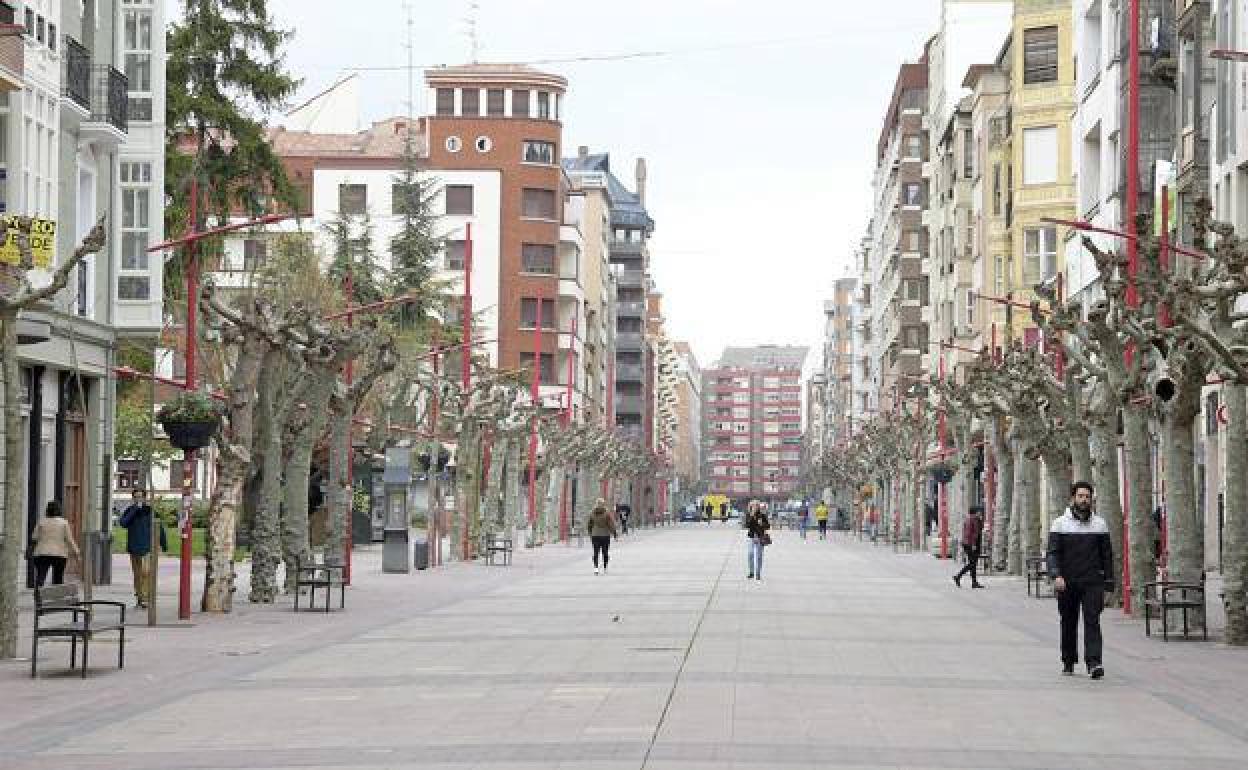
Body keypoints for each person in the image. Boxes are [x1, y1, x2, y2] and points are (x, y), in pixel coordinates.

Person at [1047, 481, 1114, 680]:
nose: (1084, 500)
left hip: (1092, 581)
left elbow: (1107, 556)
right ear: (1072, 498)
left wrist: (1109, 583)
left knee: (1092, 621)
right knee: (1068, 621)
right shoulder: (1060, 523)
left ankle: (1094, 663)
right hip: (1067, 582)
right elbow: (1052, 553)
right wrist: (1055, 574)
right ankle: (1068, 660)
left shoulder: (1100, 524)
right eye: (1080, 496)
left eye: (1087, 497)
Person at [119, 489, 167, 608]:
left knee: (146, 572)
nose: (138, 499)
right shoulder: (130, 511)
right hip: (134, 547)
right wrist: (135, 510)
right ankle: (140, 597)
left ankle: (146, 597)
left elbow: (159, 527)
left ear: (145, 498)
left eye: (140, 497)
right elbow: (123, 523)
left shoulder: (150, 511)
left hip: (148, 547)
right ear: (133, 498)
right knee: (137, 574)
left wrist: (163, 543)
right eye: (136, 497)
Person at [30, 501, 80, 587]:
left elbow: (34, 537)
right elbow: (69, 539)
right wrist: (77, 552)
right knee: (58, 578)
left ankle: (38, 596)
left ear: (47, 510)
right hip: (59, 554)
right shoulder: (64, 523)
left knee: (41, 577)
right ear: (59, 510)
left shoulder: (41, 522)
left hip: (42, 553)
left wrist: (30, 550)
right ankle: (57, 598)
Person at [952, 505, 985, 588]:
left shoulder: (976, 519)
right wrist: (973, 544)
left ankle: (974, 582)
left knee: (973, 564)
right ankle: (958, 576)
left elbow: (978, 531)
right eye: (979, 511)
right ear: (975, 512)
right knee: (972, 563)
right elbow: (969, 534)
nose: (980, 512)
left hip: (973, 543)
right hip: (970, 544)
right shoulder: (971, 520)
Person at [588, 498, 618, 575]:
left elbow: (589, 524)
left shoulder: (592, 513)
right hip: (605, 535)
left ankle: (596, 568)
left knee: (595, 552)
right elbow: (611, 524)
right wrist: (614, 533)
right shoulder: (607, 513)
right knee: (605, 552)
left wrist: (590, 533)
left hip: (595, 535)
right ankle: (605, 568)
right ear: (603, 504)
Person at [745, 500, 770, 581]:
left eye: (756, 506)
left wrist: (761, 524)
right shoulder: (749, 515)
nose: (754, 507)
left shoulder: (762, 515)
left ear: (758, 507)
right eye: (753, 506)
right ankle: (751, 572)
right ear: (751, 507)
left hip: (760, 537)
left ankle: (758, 573)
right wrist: (752, 517)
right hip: (751, 537)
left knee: (759, 556)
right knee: (750, 553)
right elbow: (747, 525)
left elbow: (767, 526)